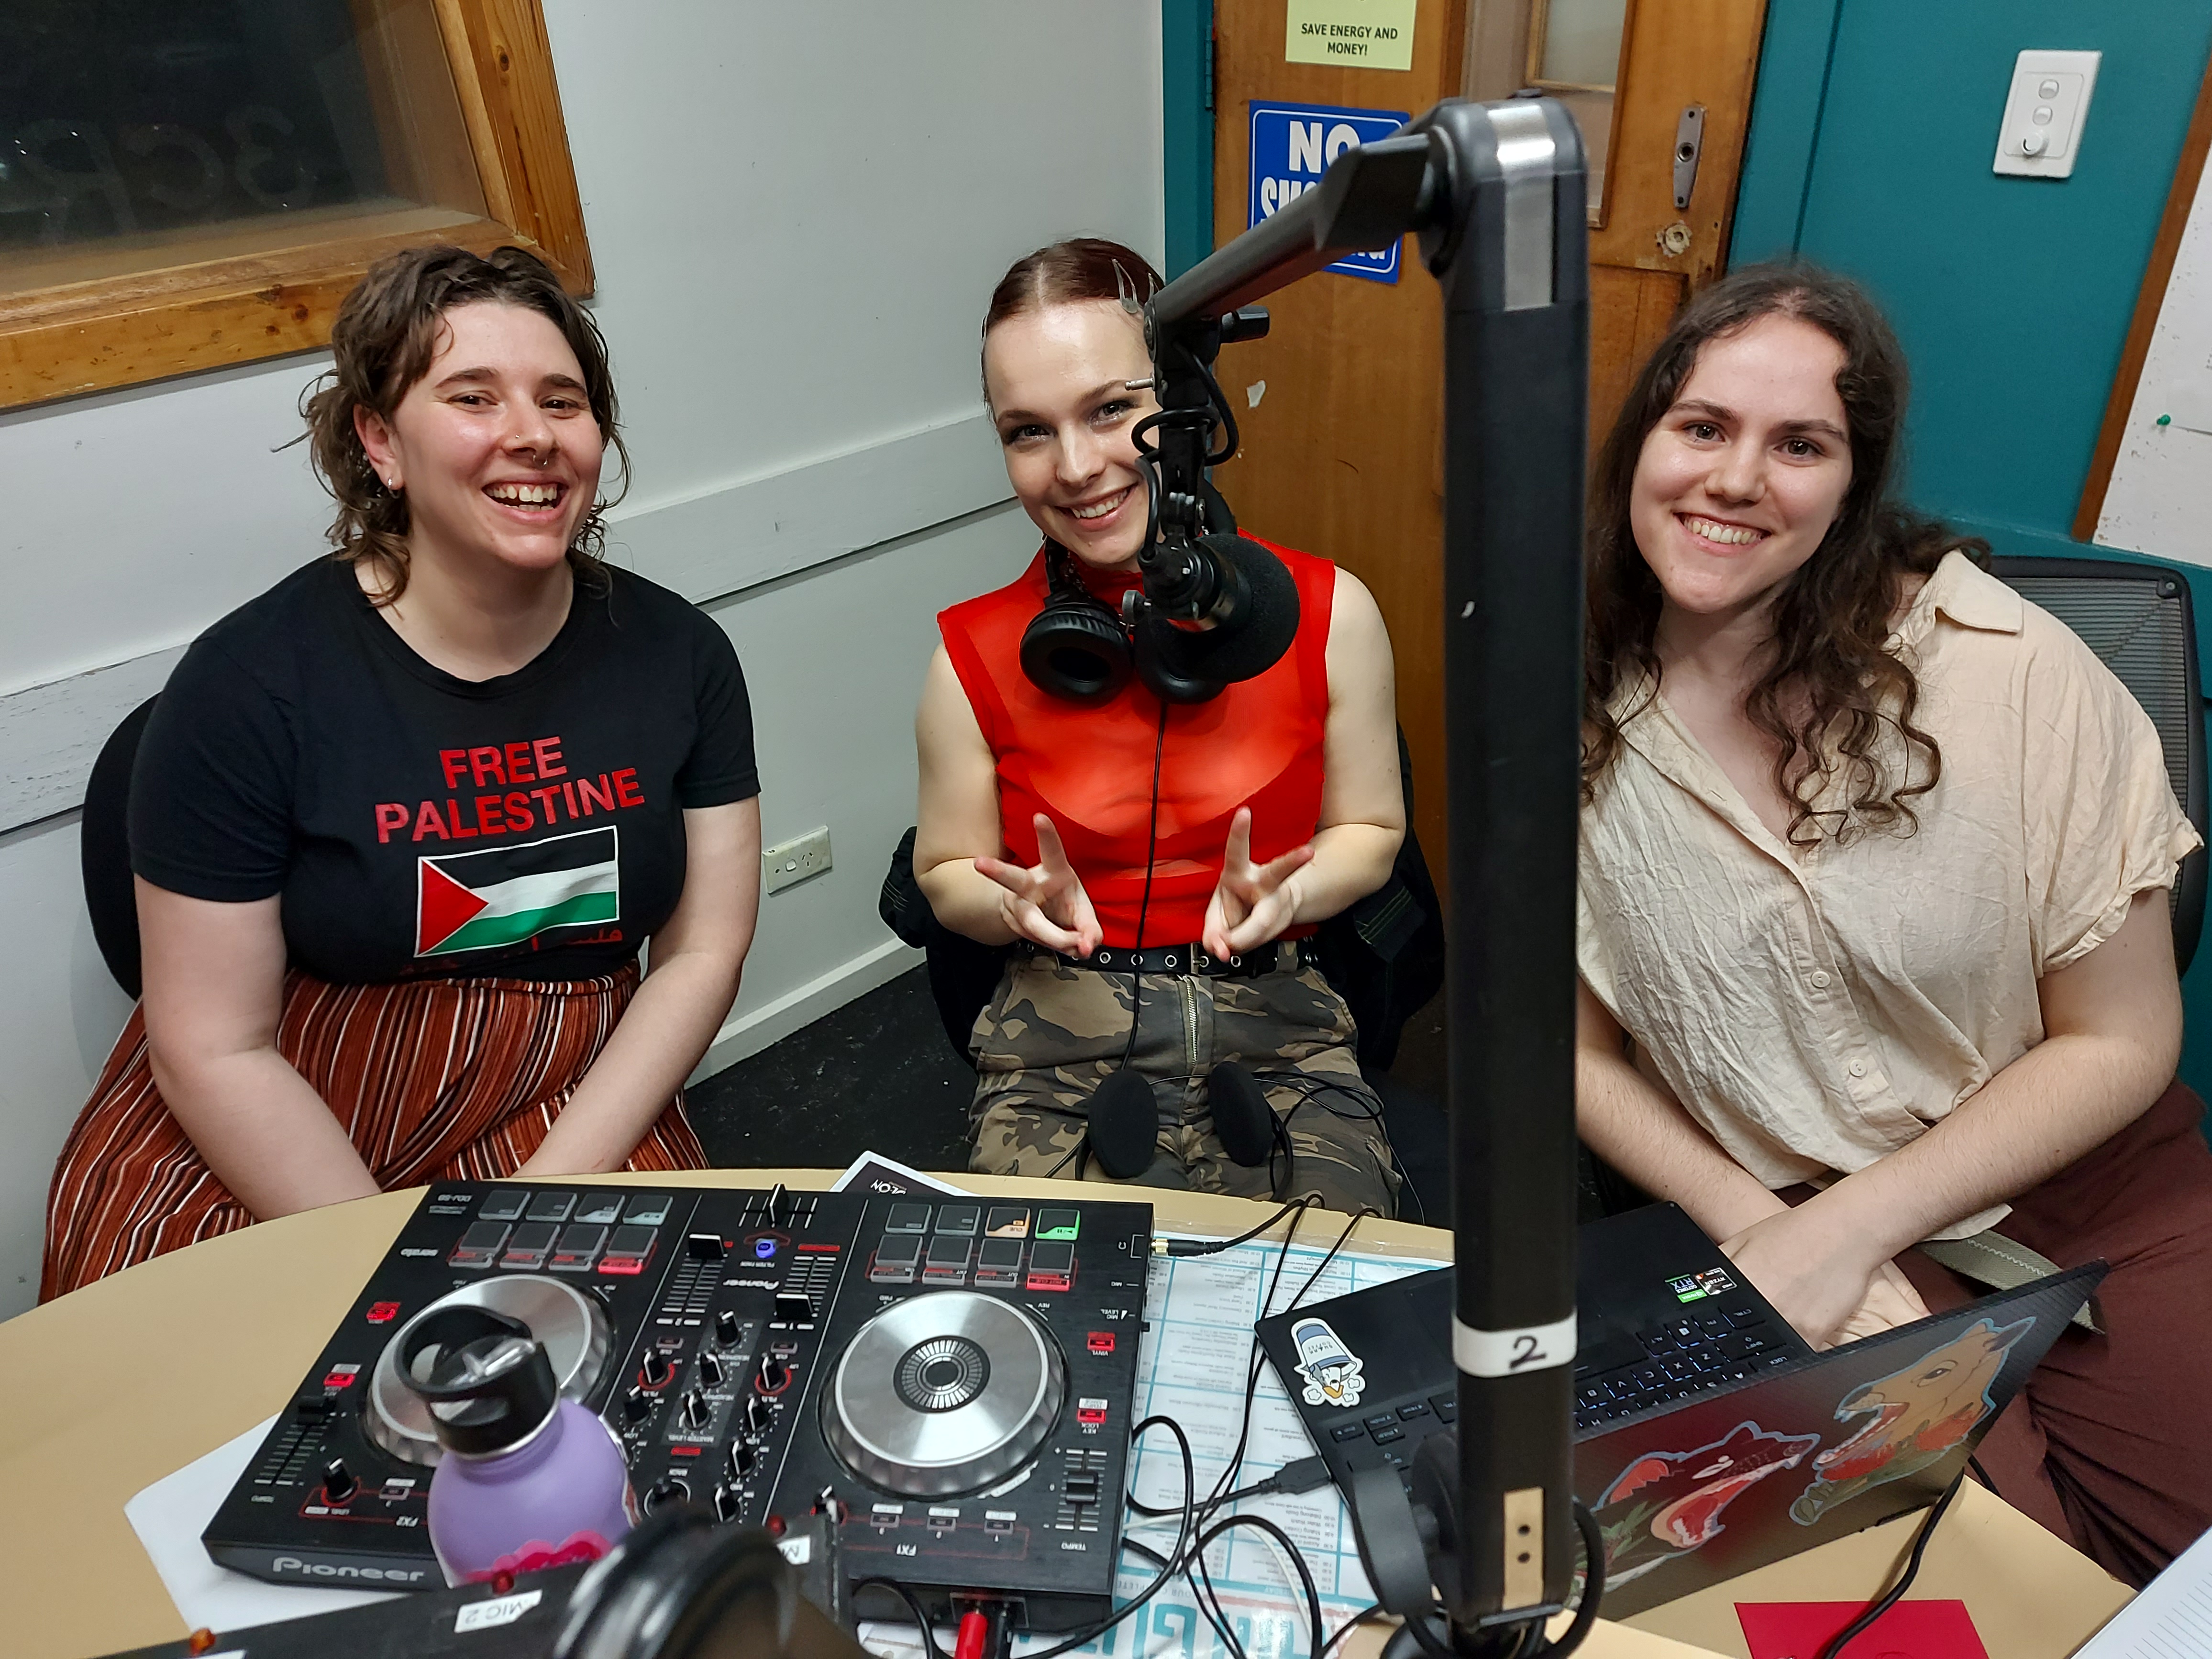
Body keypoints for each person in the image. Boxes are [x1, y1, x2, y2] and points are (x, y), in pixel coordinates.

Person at [1574, 262, 2212, 1584]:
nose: (1736, 478)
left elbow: (2125, 1036)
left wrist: (1850, 1228)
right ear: (1644, 441)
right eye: (1702, 426)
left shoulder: (2014, 672)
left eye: (1798, 443)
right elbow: (1561, 1048)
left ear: (1851, 483)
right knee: (2009, 1581)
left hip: (2094, 1189)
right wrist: (1773, 1227)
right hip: (1783, 1202)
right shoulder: (1562, 701)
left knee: (2181, 1568)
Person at [42, 245, 762, 1300]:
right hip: (284, 1107)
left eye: (562, 401)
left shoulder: (680, 658)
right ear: (380, 440)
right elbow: (213, 1046)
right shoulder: (250, 684)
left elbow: (702, 950)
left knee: (639, 1375)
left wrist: (540, 1199)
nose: (531, 433)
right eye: (473, 396)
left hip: (566, 1096)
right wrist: (396, 1275)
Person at [914, 238, 1405, 1214]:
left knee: (1335, 1315)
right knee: (1039, 1317)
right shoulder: (964, 656)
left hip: (1278, 1018)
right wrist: (1009, 907)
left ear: (1181, 411)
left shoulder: (1332, 613)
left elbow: (1373, 834)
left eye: (1109, 410)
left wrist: (1298, 885)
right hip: (1059, 1026)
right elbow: (942, 872)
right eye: (1026, 432)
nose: (1076, 467)